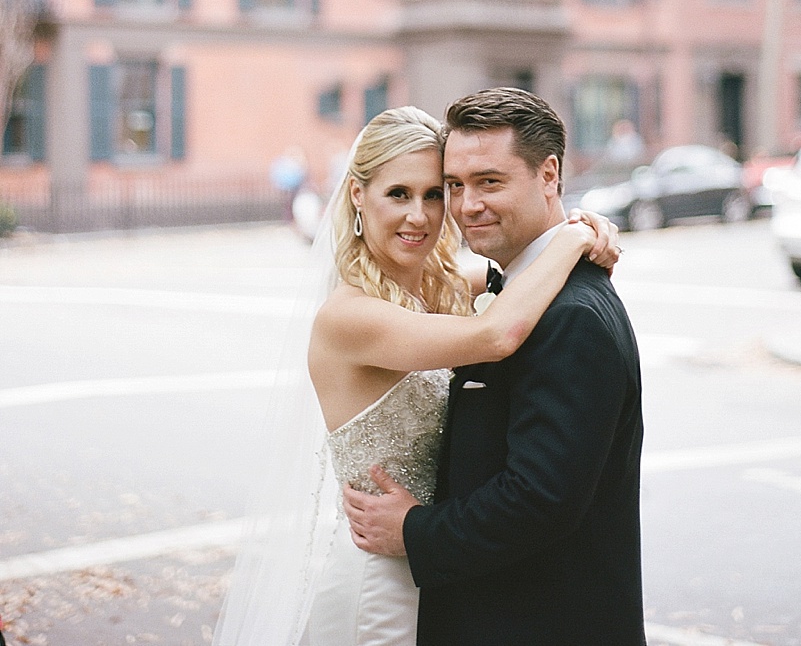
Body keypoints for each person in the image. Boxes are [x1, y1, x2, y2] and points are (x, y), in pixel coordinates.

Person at [212, 103, 619, 646]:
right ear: (358, 195)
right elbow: (495, 334)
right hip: (380, 584)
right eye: (398, 194)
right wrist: (574, 235)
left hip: (438, 570)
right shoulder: (348, 317)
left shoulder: (437, 287)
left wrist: (590, 234)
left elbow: (512, 273)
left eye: (434, 193)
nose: (420, 216)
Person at [344, 89, 645, 646]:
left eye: (489, 182)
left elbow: (538, 499)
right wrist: (580, 233)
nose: (464, 206)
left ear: (549, 174)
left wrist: (414, 531)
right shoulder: (509, 289)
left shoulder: (571, 317)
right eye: (454, 186)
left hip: (540, 622)